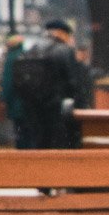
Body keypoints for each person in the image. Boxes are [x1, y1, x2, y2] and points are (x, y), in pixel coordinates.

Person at [11, 19, 85, 149]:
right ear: (63, 34)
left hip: (33, 108)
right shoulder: (64, 51)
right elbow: (74, 83)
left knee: (39, 145)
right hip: (57, 110)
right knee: (58, 147)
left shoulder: (31, 49)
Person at [0, 35, 27, 148]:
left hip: (16, 102)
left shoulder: (11, 58)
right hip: (28, 102)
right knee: (28, 133)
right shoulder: (26, 55)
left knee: (19, 133)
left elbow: (8, 82)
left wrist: (4, 99)